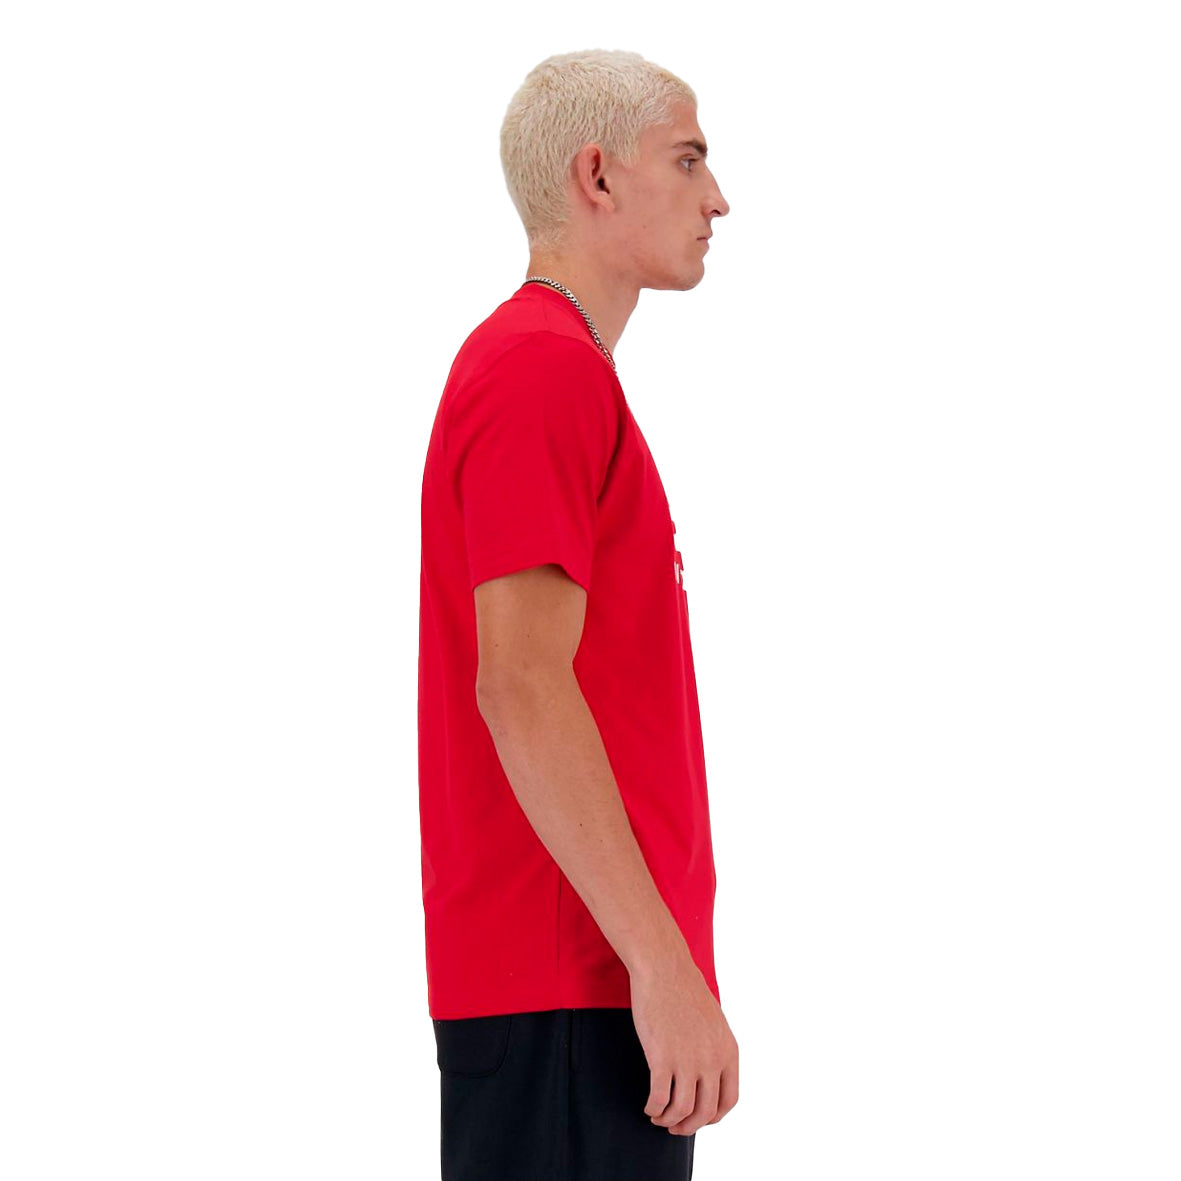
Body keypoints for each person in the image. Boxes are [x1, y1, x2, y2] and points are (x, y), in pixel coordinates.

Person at [417, 48, 736, 1180]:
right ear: (595, 175)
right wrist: (659, 962)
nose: (717, 198)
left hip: (578, 986)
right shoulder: (539, 371)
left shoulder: (556, 370)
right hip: (572, 987)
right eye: (687, 159)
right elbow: (519, 683)